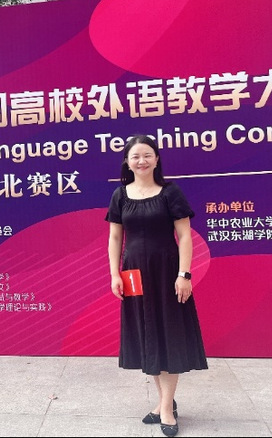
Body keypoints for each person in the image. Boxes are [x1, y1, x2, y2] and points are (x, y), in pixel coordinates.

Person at [104, 134, 207, 437]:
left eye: (147, 155)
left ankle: (165, 409)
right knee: (147, 333)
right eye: (135, 156)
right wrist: (114, 274)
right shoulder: (120, 195)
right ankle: (165, 402)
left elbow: (184, 236)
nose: (142, 161)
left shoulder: (170, 192)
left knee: (168, 334)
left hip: (166, 272)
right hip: (133, 274)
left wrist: (184, 274)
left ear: (157, 159)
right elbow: (115, 238)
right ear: (127, 162)